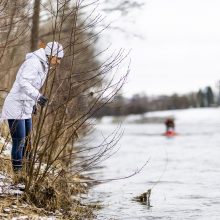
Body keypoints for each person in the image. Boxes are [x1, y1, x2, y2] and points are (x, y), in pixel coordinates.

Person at [1, 41, 64, 174]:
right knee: (19, 141)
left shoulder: (44, 65)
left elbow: (32, 85)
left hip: (26, 105)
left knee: (28, 141)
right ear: (50, 54)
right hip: (16, 105)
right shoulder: (34, 62)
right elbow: (24, 82)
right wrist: (38, 97)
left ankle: (27, 173)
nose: (58, 62)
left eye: (60, 59)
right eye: (57, 58)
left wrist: (33, 104)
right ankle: (18, 175)